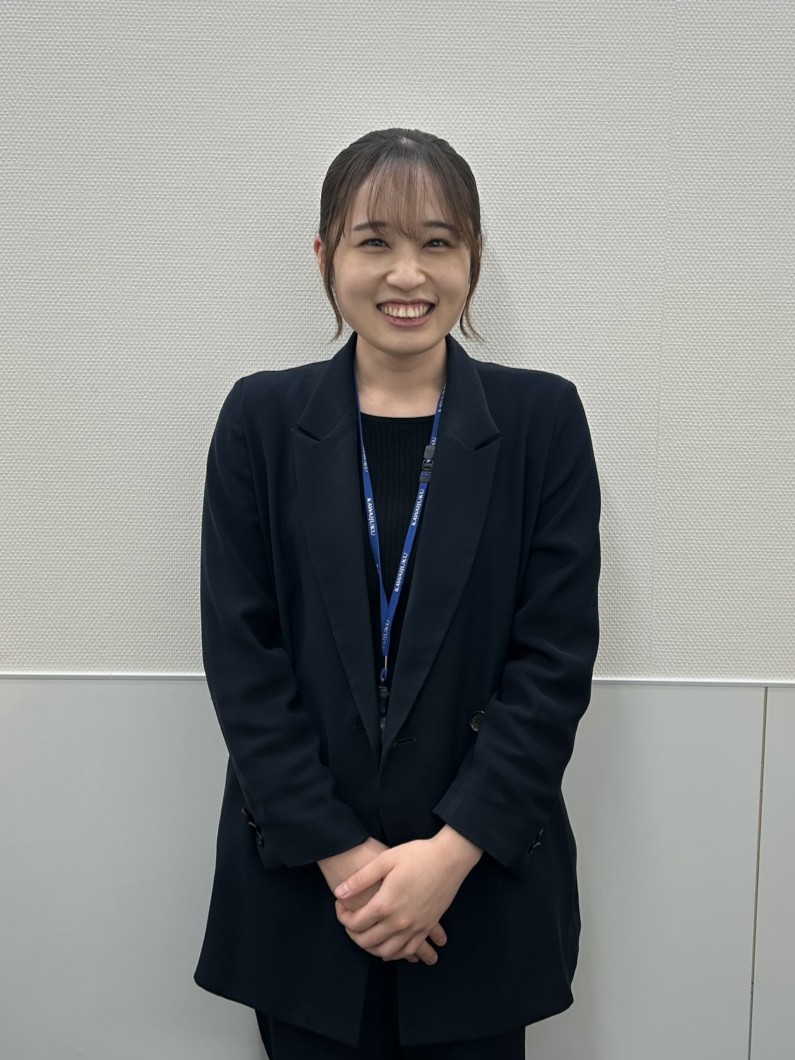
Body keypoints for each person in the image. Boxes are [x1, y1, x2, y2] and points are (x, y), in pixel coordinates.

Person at [194, 128, 601, 1059]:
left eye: (436, 241)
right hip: (304, 886)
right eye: (373, 240)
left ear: (473, 257)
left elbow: (552, 664)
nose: (406, 273)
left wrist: (445, 860)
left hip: (477, 890)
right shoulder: (261, 420)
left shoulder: (541, 420)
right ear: (324, 256)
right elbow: (242, 660)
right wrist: (350, 867)